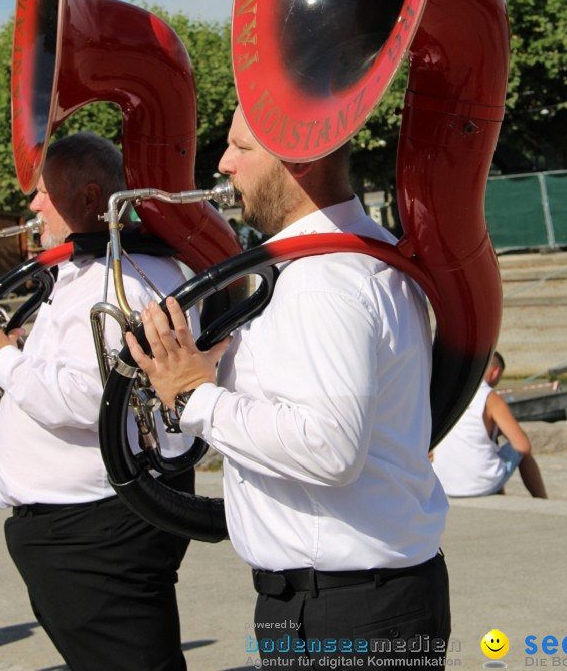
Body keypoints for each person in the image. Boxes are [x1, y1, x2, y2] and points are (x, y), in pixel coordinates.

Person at [129, 106, 451, 670]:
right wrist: (209, 376)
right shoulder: (351, 252)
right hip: (341, 599)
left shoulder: (319, 282)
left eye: (242, 148)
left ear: (299, 156)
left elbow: (329, 449)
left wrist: (194, 396)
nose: (224, 163)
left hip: (343, 606)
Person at [0, 132, 195, 671]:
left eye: (44, 191)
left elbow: (92, 400)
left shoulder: (120, 278)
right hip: (78, 529)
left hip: (95, 533)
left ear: (89, 197)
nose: (32, 204)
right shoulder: (89, 270)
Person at [432, 351, 547, 498]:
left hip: (445, 484)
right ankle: (542, 499)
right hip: (479, 485)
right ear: (495, 372)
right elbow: (523, 445)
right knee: (521, 451)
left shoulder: (446, 391)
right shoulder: (488, 396)